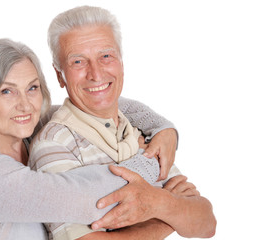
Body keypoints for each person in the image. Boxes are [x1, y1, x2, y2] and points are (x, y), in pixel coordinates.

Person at [0, 38, 182, 240]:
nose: (25, 104)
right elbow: (87, 199)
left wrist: (163, 130)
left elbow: (98, 106)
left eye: (32, 87)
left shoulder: (26, 127)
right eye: (6, 91)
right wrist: (151, 160)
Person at [29, 6, 216, 240]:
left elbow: (206, 223)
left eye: (106, 56)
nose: (96, 74)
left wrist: (158, 203)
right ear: (59, 76)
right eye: (78, 61)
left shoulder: (139, 131)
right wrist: (167, 216)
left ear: (121, 62)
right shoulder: (54, 144)